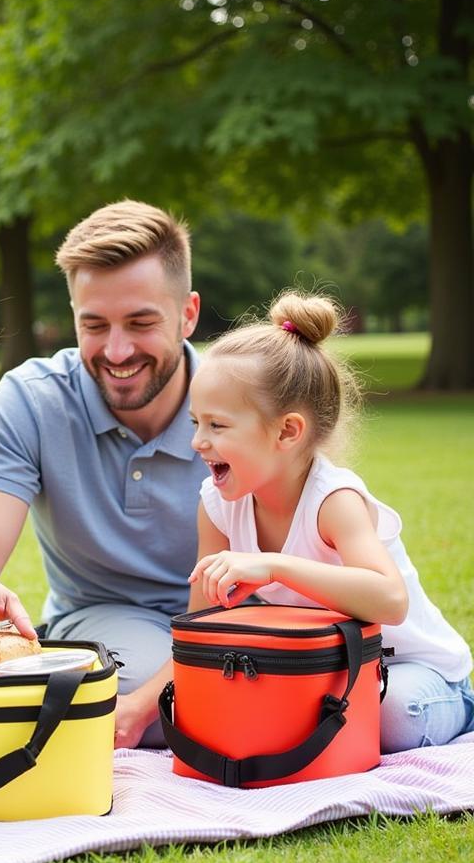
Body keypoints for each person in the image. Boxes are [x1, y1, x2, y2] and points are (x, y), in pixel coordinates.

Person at [0, 199, 208, 747]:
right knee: (160, 686)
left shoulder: (241, 398)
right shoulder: (32, 400)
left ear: (188, 314)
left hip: (228, 618)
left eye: (141, 323)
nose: (117, 350)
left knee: (400, 710)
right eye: (93, 325)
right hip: (101, 618)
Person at [159, 290, 473, 752]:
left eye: (217, 426)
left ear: (287, 431)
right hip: (334, 670)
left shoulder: (333, 499)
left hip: (417, 674)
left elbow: (390, 600)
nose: (197, 443)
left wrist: (274, 567)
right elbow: (202, 623)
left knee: (390, 717)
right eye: (195, 423)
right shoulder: (218, 503)